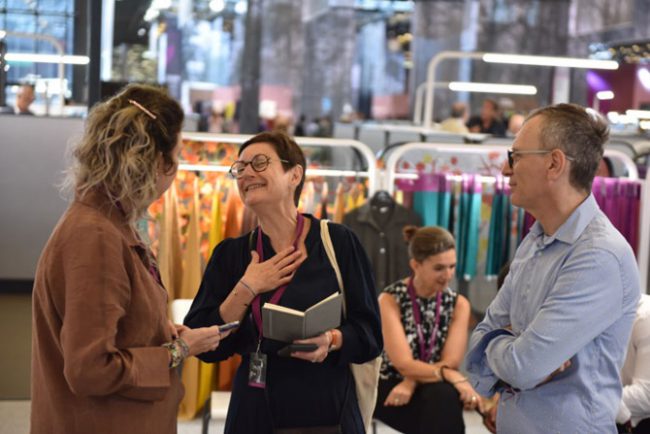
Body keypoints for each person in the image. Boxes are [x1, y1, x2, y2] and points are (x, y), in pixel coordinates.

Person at [31, 84, 224, 434]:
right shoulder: (97, 237)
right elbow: (90, 369)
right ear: (158, 163)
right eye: (177, 154)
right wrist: (179, 350)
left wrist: (157, 331)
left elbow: (108, 324)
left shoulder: (109, 224)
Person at [184, 130, 382, 433]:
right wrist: (247, 288)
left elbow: (370, 335)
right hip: (255, 411)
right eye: (240, 167)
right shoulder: (232, 254)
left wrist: (331, 340)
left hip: (327, 410)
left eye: (259, 163)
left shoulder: (338, 242)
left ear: (295, 175)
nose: (246, 173)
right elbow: (203, 343)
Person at [466, 103, 641, 433]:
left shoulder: (599, 255)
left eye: (516, 156)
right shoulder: (536, 240)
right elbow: (479, 343)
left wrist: (503, 350)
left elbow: (522, 366)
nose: (505, 169)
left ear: (554, 163)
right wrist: (511, 350)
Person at [374, 225, 482, 434]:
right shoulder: (389, 300)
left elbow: (451, 361)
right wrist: (451, 376)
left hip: (430, 382)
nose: (448, 275)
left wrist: (412, 381)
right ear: (416, 265)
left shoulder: (458, 304)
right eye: (439, 268)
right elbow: (403, 364)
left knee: (442, 397)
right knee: (442, 402)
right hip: (391, 383)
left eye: (452, 266)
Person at [616, 293, 650, 433]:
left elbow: (647, 394)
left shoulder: (645, 317)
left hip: (641, 422)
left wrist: (596, 402)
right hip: (617, 413)